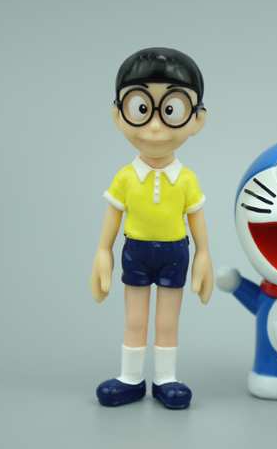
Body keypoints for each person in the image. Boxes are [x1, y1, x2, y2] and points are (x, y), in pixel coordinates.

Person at [90, 47, 213, 409]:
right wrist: (102, 252)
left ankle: (165, 379)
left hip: (175, 253)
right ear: (118, 115)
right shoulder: (126, 177)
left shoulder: (186, 179)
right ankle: (130, 378)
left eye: (171, 109)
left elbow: (197, 219)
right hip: (136, 252)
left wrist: (204, 254)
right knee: (135, 319)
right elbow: (113, 217)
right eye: (141, 108)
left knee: (167, 322)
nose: (155, 126)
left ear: (197, 120)